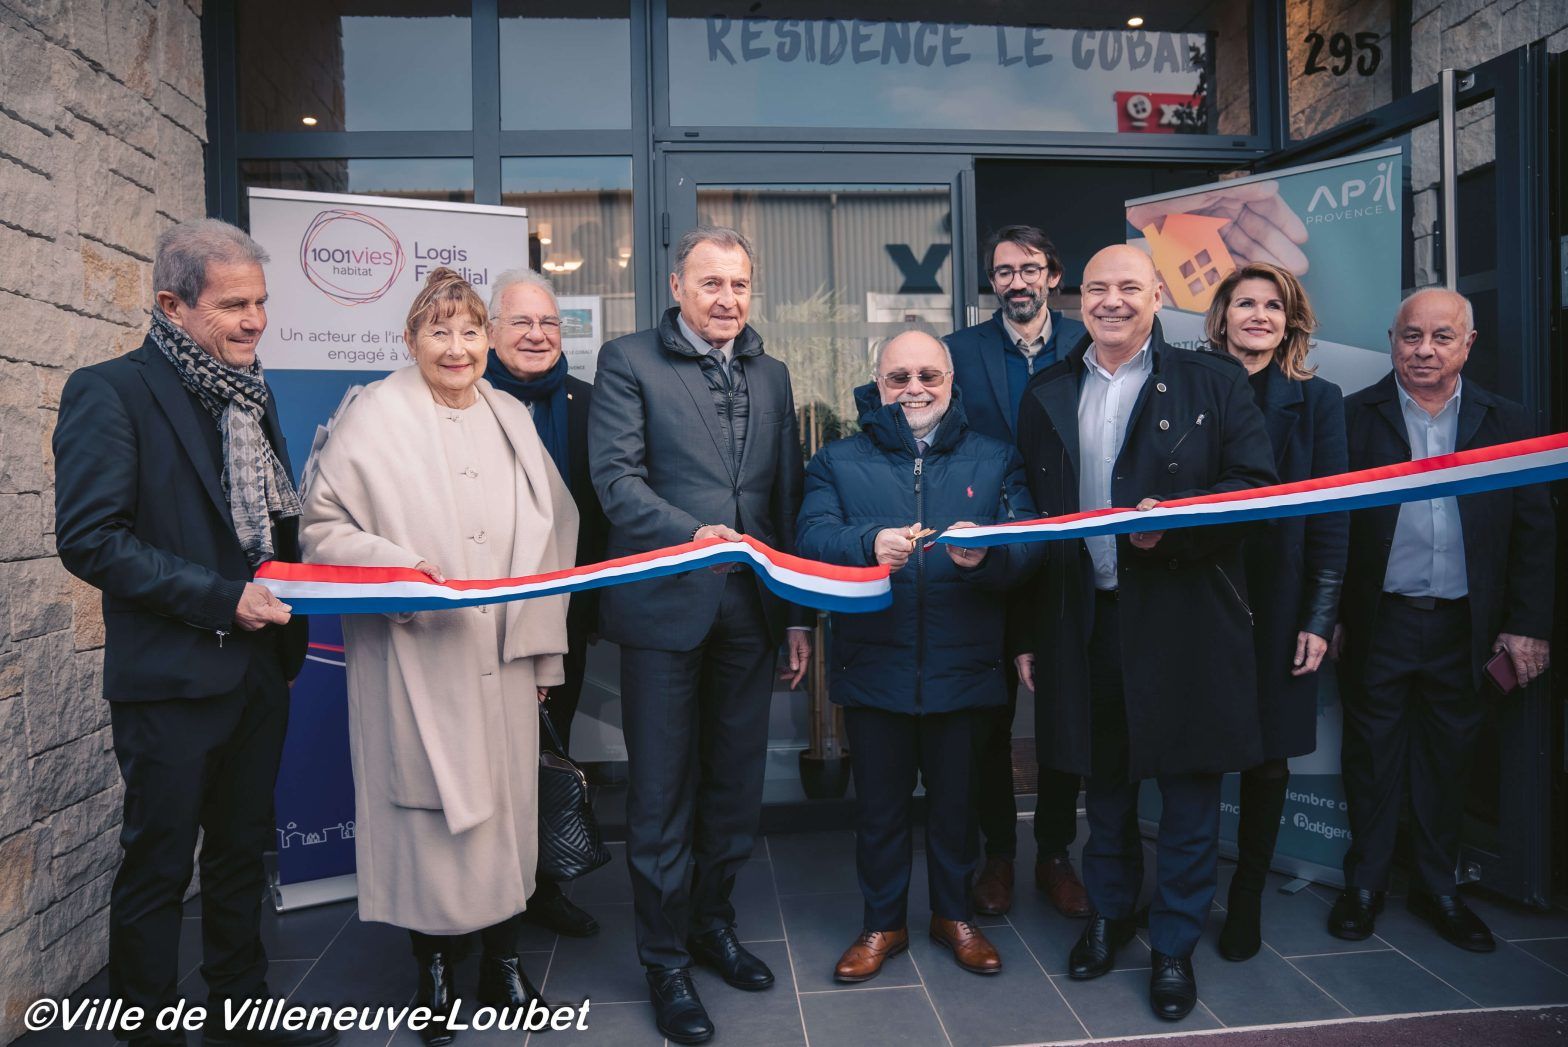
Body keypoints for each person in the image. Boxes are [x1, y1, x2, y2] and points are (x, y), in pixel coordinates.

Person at [53, 219, 328, 1047]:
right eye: (234, 305)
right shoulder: (109, 391)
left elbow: (273, 530)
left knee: (242, 855)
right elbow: (91, 539)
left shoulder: (254, 391)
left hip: (255, 671)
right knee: (159, 867)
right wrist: (223, 599)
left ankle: (242, 1012)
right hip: (171, 677)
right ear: (173, 304)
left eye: (262, 302)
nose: (255, 320)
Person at [301, 268, 578, 1046]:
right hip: (416, 656)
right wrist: (398, 569)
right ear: (411, 339)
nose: (456, 349)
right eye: (438, 332)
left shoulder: (513, 418)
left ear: (486, 339)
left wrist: (544, 660)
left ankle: (502, 962)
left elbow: (555, 534)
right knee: (429, 822)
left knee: (507, 819)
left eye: (469, 332)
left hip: (508, 655)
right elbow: (320, 529)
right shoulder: (373, 416)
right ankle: (432, 975)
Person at [1013, 245, 1276, 1021]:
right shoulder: (1046, 390)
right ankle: (1109, 916)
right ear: (1077, 298)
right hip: (1087, 622)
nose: (1113, 300)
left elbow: (1255, 491)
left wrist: (1181, 528)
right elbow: (1036, 520)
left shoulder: (1215, 381)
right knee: (1109, 788)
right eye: (1098, 288)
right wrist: (1029, 632)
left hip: (1187, 621)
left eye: (1130, 286)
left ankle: (1172, 946)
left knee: (1192, 792)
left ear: (1160, 295)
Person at [589, 225, 812, 1045]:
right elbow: (616, 481)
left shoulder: (775, 373)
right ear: (677, 284)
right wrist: (695, 532)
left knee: (732, 789)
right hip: (664, 611)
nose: (726, 299)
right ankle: (663, 959)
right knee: (659, 794)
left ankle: (710, 925)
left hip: (750, 615)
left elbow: (785, 497)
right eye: (710, 283)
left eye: (739, 285)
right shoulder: (627, 360)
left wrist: (795, 614)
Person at [797, 330, 1042, 983]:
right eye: (900, 376)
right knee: (879, 811)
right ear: (878, 383)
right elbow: (812, 536)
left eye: (929, 375)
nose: (915, 388)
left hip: (964, 669)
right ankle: (883, 923)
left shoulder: (996, 458)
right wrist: (866, 542)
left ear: (951, 380)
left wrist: (989, 554)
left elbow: (1031, 543)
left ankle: (954, 915)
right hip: (875, 666)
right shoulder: (835, 460)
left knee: (956, 810)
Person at [1328, 288, 1554, 952]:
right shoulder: (1350, 419)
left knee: (1448, 759)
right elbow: (1328, 526)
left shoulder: (1509, 423)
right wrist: (1330, 612)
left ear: (1468, 344)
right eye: (1410, 336)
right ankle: (1364, 884)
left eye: (1441, 337)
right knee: (1369, 757)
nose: (1424, 349)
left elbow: (1535, 533)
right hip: (1378, 620)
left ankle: (1437, 886)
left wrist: (1527, 623)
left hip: (1466, 625)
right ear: (1391, 339)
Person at [1202, 263, 1348, 961]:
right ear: (1222, 314)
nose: (1258, 314)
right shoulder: (1188, 387)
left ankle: (1247, 896)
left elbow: (1333, 520)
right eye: (1245, 302)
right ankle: (1185, 886)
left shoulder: (1320, 403)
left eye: (1273, 305)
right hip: (1198, 598)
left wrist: (1319, 616)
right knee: (1192, 753)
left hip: (1282, 600)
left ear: (1291, 321)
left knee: (1264, 764)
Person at [946, 224, 1091, 919]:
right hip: (991, 556)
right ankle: (998, 852)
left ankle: (1056, 850)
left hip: (1068, 553)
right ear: (991, 282)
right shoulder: (958, 353)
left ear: (1053, 275)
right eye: (1003, 271)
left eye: (1030, 268)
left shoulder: (1088, 342)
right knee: (989, 716)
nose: (1017, 282)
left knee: (1065, 705)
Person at [485, 267, 608, 940]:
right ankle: (489, 895)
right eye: (522, 322)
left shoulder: (590, 403)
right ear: (493, 331)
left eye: (549, 323)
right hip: (481, 625)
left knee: (551, 754)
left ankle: (545, 882)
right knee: (489, 766)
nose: (537, 335)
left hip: (566, 618)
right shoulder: (464, 401)